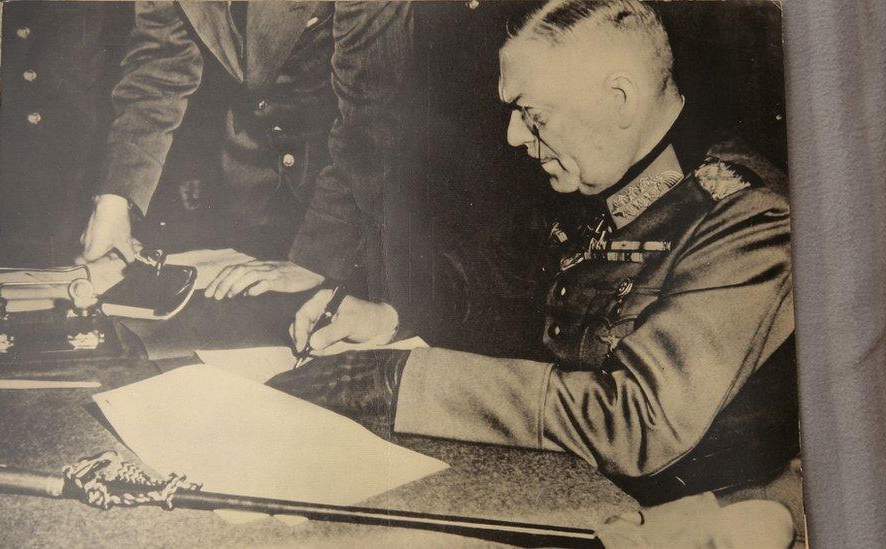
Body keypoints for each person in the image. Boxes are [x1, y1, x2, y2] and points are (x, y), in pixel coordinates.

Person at [269, 0, 800, 512]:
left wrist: (404, 380)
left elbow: (637, 422)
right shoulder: (599, 174)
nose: (514, 135)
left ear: (620, 99)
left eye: (531, 113)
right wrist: (388, 318)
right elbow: (508, 299)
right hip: (556, 484)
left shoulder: (752, 217)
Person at [79, 2, 412, 314]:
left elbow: (372, 114)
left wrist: (316, 259)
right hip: (252, 193)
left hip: (365, 207)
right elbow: (160, 66)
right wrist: (115, 200)